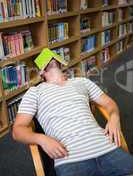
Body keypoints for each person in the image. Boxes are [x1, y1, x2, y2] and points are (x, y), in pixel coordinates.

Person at [12, 48, 133, 176]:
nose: (50, 58)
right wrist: (41, 139)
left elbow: (109, 103)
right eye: (46, 60)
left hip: (106, 148)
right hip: (70, 159)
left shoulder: (82, 81)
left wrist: (114, 117)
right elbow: (18, 130)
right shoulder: (35, 92)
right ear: (41, 73)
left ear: (61, 63)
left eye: (53, 57)